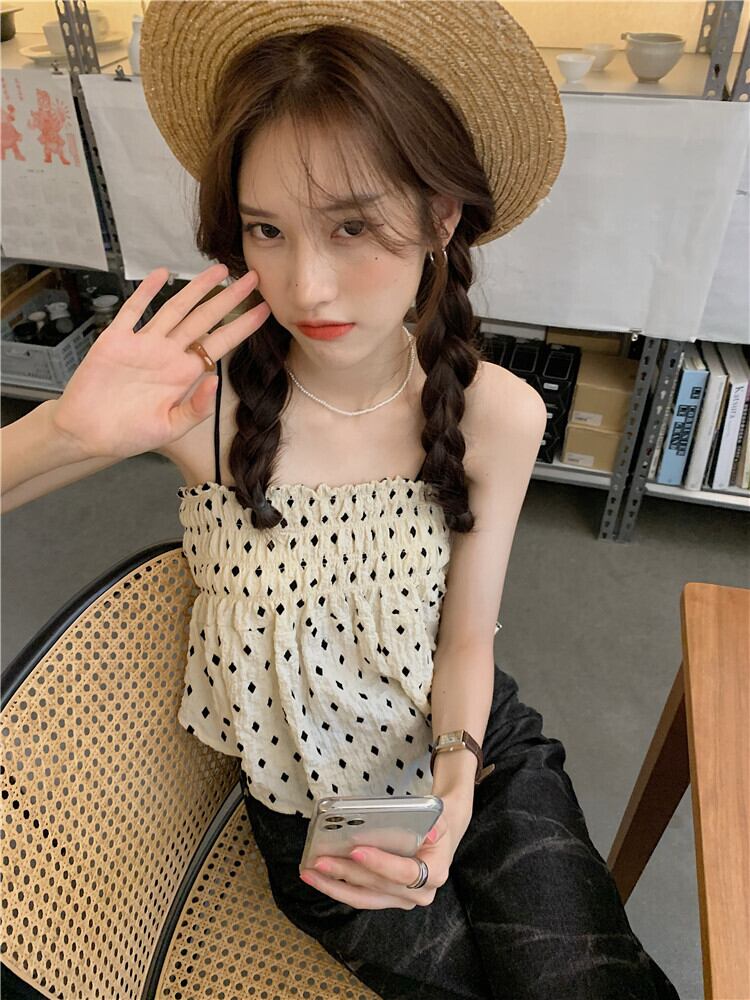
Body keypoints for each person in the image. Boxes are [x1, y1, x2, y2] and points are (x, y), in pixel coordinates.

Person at [2, 2, 681, 998]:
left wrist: (457, 780)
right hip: (318, 808)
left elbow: (466, 638)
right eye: (267, 230)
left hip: (475, 753)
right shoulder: (204, 406)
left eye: (353, 225)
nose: (306, 285)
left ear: (441, 218)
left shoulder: (495, 413)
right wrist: (67, 430)